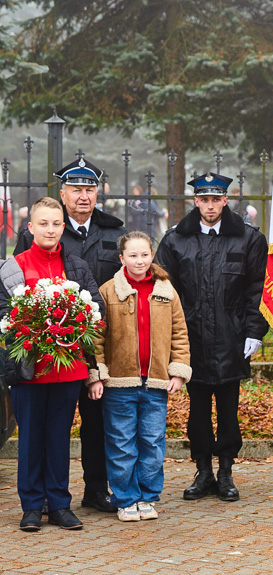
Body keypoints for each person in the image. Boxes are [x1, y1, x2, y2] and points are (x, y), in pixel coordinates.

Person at [14, 158, 127, 514]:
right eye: (76, 189)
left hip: (93, 348)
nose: (83, 195)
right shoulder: (30, 240)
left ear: (98, 194)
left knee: (96, 424)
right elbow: (21, 297)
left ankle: (95, 489)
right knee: (44, 430)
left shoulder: (113, 232)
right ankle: (43, 497)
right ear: (62, 195)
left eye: (89, 189)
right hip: (45, 352)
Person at [156, 171, 268, 502]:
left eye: (216, 199)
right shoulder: (176, 240)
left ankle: (227, 471)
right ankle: (203, 470)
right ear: (195, 201)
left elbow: (257, 288)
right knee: (198, 409)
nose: (210, 206)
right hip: (192, 339)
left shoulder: (248, 238)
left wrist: (255, 331)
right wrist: (172, 339)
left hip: (232, 337)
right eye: (204, 199)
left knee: (229, 409)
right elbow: (165, 292)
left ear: (226, 200)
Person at [0, 196, 104, 531]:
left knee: (59, 438)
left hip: (68, 370)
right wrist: (32, 325)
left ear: (63, 227)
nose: (50, 229)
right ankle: (31, 506)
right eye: (43, 223)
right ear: (30, 228)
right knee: (29, 439)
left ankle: (59, 503)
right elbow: (3, 313)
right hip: (29, 371)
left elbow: (96, 310)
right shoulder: (12, 267)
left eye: (56, 223)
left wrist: (80, 319)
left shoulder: (77, 267)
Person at [87, 231, 192, 522]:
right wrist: (97, 374)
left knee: (153, 441)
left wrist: (178, 372)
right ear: (121, 258)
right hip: (119, 384)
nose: (139, 261)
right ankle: (126, 498)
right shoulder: (109, 291)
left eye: (145, 254)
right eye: (132, 255)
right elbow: (96, 337)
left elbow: (180, 335)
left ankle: (147, 496)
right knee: (121, 443)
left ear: (151, 256)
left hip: (156, 383)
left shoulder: (166, 290)